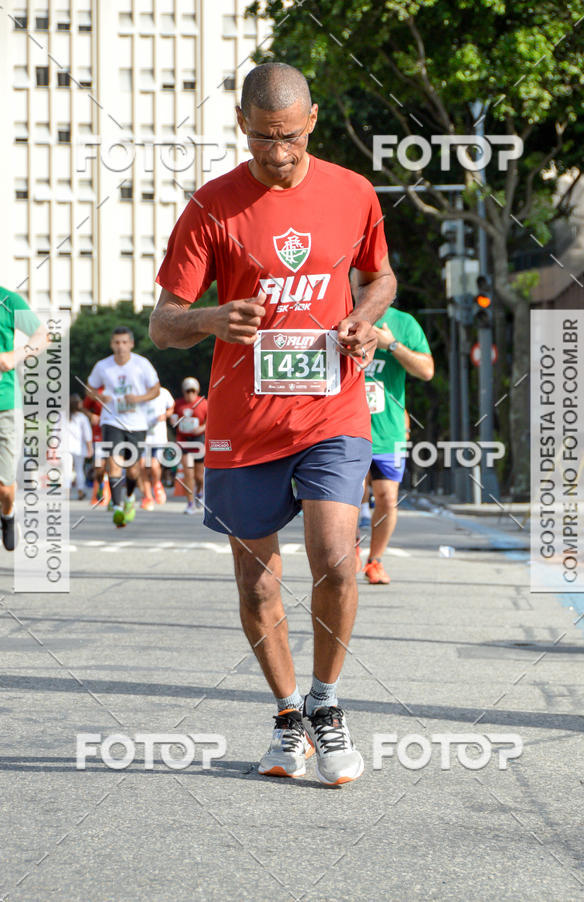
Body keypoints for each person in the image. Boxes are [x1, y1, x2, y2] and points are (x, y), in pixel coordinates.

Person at [150, 62, 396, 785]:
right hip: (242, 425)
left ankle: (327, 702)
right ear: (241, 124)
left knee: (336, 556)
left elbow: (380, 277)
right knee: (258, 586)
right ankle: (289, 718)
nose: (278, 154)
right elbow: (162, 324)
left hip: (332, 410)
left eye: (289, 137)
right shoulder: (211, 207)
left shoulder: (353, 193)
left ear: (312, 119)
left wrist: (363, 317)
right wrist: (211, 318)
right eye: (263, 139)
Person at [362, 308, 434, 584]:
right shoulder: (339, 311)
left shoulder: (404, 322)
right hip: (343, 428)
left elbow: (427, 371)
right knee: (352, 495)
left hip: (387, 432)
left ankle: (374, 561)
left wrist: (391, 345)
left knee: (387, 498)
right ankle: (349, 548)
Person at [86, 327, 160, 528]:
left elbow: (156, 389)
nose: (120, 347)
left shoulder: (141, 364)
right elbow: (89, 387)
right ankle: (118, 507)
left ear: (131, 344)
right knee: (114, 461)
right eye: (116, 342)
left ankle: (128, 497)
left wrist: (139, 398)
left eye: (124, 342)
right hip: (111, 420)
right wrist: (99, 396)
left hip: (137, 422)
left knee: (134, 469)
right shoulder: (103, 366)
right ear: (112, 344)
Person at [0, 286, 48, 551]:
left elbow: (42, 335)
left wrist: (14, 356)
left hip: (5, 406)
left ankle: (7, 514)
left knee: (5, 488)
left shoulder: (8, 300)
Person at [170, 377, 207, 514]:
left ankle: (200, 492)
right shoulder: (178, 404)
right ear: (183, 391)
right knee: (188, 473)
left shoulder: (203, 403)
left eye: (192, 391)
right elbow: (172, 419)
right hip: (184, 440)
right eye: (187, 391)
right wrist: (174, 421)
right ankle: (190, 503)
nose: (190, 394)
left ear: (196, 391)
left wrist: (202, 428)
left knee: (199, 475)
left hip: (199, 440)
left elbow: (210, 421)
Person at [141, 385, 175, 509]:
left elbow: (172, 406)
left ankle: (156, 484)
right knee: (142, 466)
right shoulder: (139, 392)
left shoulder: (163, 393)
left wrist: (165, 415)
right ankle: (148, 497)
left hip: (158, 437)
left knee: (154, 465)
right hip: (143, 436)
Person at [82, 393, 109, 506]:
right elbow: (83, 408)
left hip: (118, 430)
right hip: (99, 433)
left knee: (114, 465)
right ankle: (98, 493)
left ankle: (110, 495)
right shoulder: (96, 390)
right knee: (99, 465)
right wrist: (91, 415)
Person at [67, 394, 93, 499]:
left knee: (67, 470)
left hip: (65, 447)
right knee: (79, 469)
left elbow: (56, 433)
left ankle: (67, 492)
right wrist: (90, 448)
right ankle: (80, 491)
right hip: (78, 447)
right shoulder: (82, 418)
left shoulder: (63, 416)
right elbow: (87, 434)